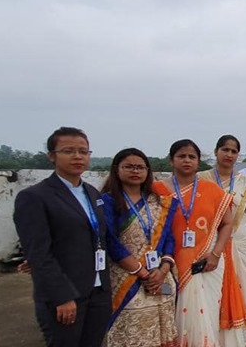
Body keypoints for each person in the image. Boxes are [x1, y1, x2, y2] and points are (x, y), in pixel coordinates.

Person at [14, 127, 111, 347]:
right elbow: (39, 254)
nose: (77, 157)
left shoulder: (92, 193)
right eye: (68, 151)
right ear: (51, 156)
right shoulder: (35, 197)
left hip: (98, 292)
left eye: (83, 152)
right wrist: (62, 296)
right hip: (66, 295)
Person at [153, 139, 246, 346]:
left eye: (192, 157)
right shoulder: (156, 190)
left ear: (198, 161)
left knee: (209, 313)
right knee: (172, 315)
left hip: (208, 262)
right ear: (171, 160)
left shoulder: (211, 190)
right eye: (181, 156)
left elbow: (227, 223)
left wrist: (215, 254)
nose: (187, 160)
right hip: (169, 263)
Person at [100, 148, 179, 347]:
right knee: (132, 332)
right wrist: (142, 272)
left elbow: (169, 239)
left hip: (160, 279)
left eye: (140, 167)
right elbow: (110, 241)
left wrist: (163, 269)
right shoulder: (107, 202)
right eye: (129, 167)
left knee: (164, 330)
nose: (135, 171)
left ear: (147, 171)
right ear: (116, 169)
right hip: (126, 279)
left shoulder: (159, 202)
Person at [198, 135, 246, 346]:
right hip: (211, 240)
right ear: (216, 151)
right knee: (212, 290)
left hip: (242, 240)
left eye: (234, 151)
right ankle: (214, 338)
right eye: (225, 150)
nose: (229, 155)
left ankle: (243, 338)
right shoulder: (201, 179)